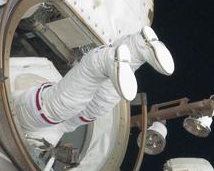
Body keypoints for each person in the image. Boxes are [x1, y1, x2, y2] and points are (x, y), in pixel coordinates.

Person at [12, 27, 173, 137]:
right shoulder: (50, 134)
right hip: (49, 118)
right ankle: (132, 55)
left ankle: (130, 50)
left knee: (61, 107)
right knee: (71, 108)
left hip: (42, 110)